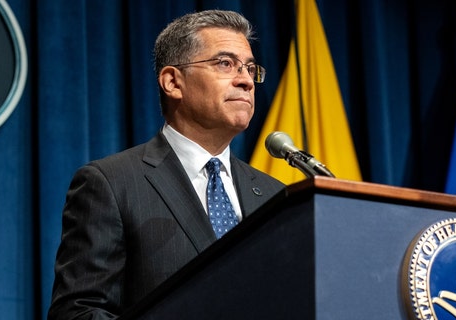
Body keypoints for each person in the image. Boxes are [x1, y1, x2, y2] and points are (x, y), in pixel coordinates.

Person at [47, 9, 286, 319]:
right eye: (226, 64)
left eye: (250, 68)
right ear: (173, 82)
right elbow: (77, 313)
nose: (246, 81)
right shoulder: (112, 184)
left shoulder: (273, 195)